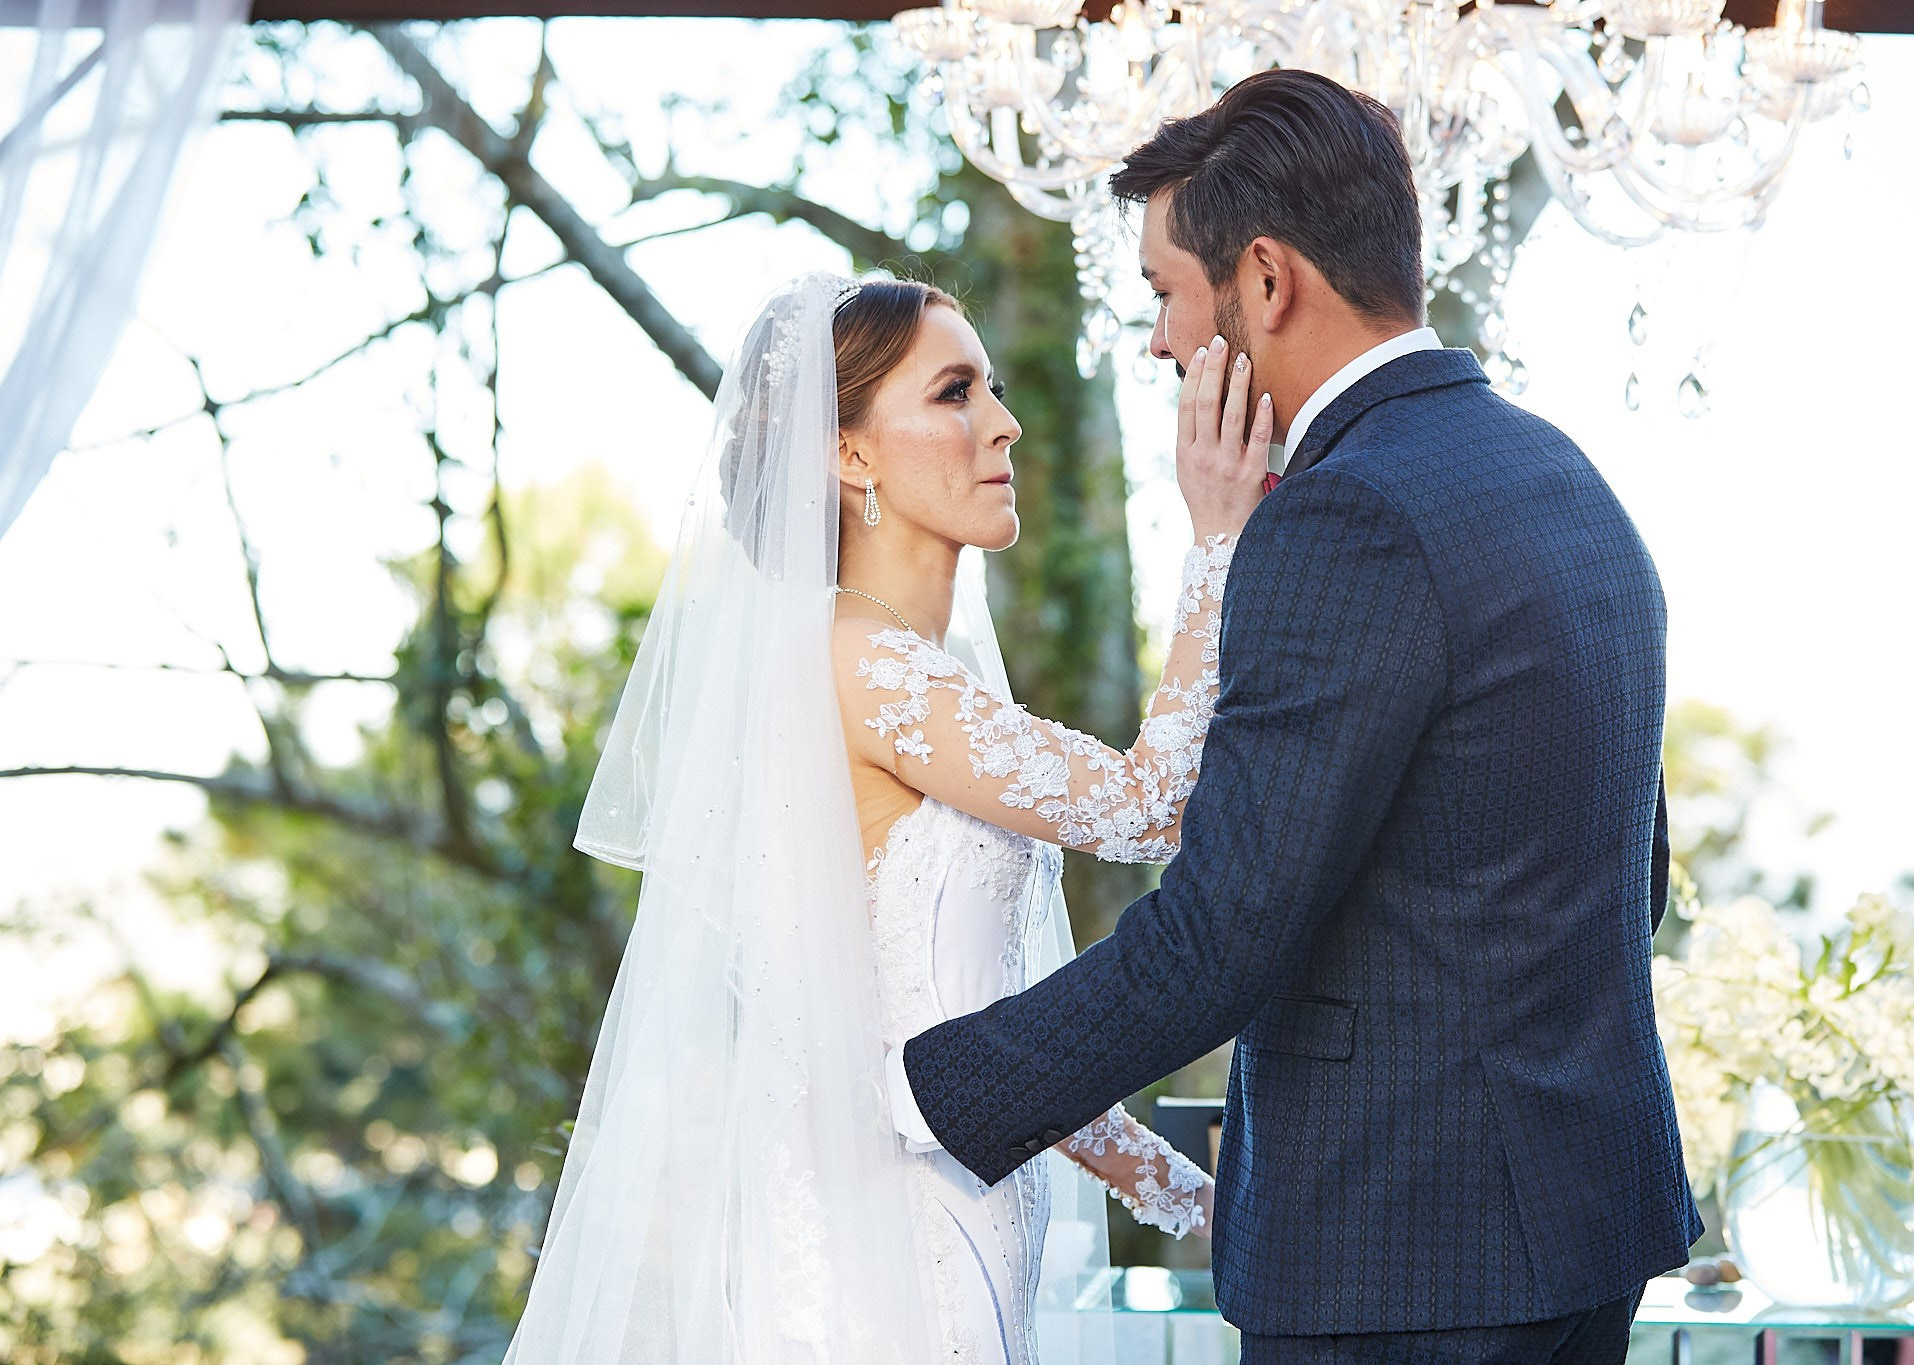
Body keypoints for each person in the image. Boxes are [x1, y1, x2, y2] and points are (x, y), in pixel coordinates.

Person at [888, 69, 1705, 1365]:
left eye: (1166, 294)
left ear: (1264, 281)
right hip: (1581, 1234)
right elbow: (1631, 876)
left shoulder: (1347, 519)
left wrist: (917, 1092)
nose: (1158, 343)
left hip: (1407, 1267)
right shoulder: (1567, 480)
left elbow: (1217, 938)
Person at [501, 270, 1270, 1364]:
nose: (1002, 423)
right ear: (848, 453)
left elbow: (964, 1033)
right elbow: (1151, 808)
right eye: (953, 392)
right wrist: (1216, 545)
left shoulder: (910, 673)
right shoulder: (861, 668)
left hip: (963, 1224)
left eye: (991, 388)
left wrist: (1191, 1193)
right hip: (891, 1261)